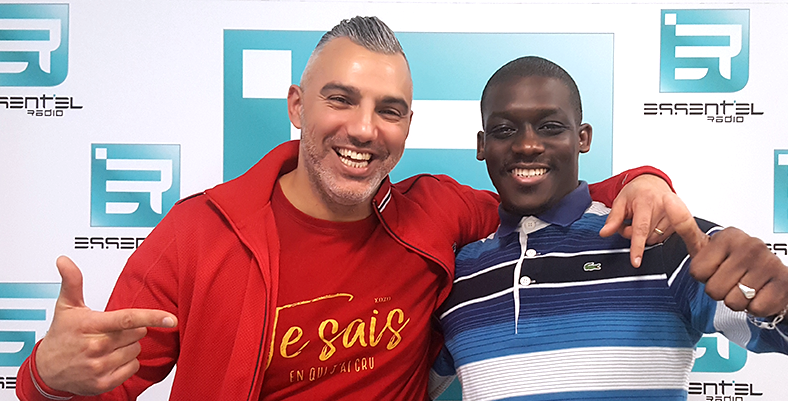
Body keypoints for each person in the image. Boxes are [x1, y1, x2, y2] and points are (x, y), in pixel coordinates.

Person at [16, 17, 679, 401]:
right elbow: (96, 382)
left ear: (407, 125)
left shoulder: (437, 212)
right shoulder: (199, 233)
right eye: (340, 100)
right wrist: (44, 376)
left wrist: (645, 180)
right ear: (297, 106)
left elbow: (541, 189)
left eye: (388, 110)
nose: (364, 129)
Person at [429, 56, 788, 401]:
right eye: (505, 130)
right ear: (482, 145)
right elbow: (406, 381)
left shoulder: (658, 240)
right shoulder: (458, 274)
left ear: (582, 138)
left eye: (550, 127)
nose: (527, 145)